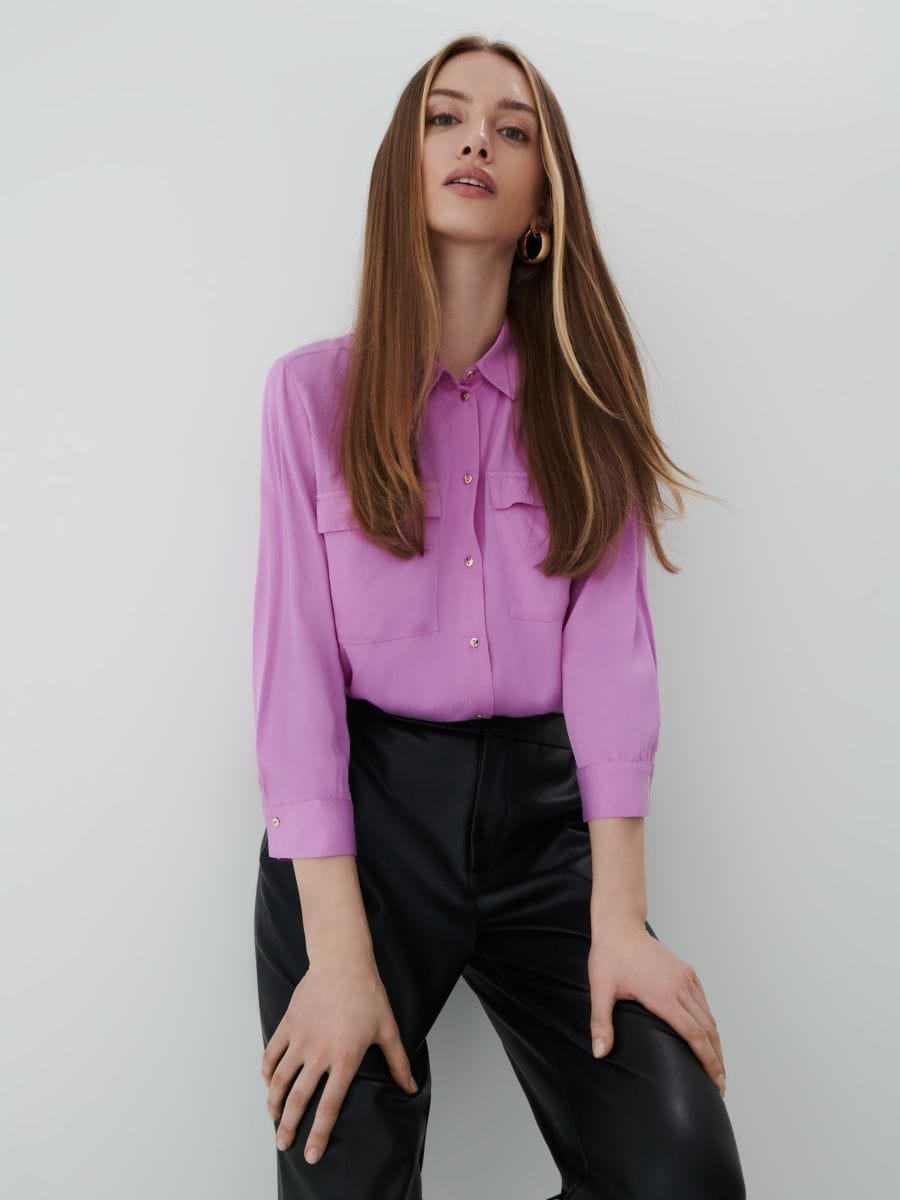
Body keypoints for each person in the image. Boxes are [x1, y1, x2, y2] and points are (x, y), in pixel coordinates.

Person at [251, 33, 746, 1200]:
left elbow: (613, 669)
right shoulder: (311, 396)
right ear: (405, 170)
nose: (477, 137)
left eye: (512, 129)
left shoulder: (589, 415)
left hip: (545, 828)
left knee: (680, 1173)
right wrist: (336, 954)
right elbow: (294, 680)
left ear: (540, 206)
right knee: (343, 1169)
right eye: (446, 117)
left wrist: (620, 922)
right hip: (366, 836)